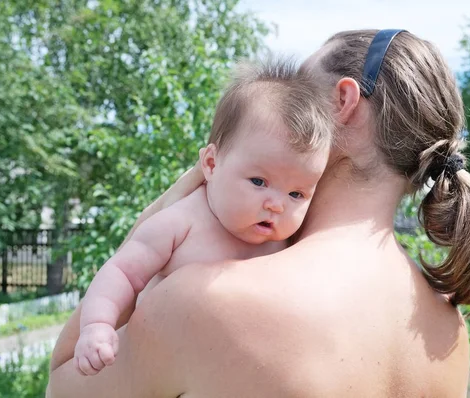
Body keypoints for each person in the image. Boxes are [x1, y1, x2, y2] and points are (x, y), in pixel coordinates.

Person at [47, 29, 470, 397]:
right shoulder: (448, 329)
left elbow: (61, 386)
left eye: (301, 90)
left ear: (341, 103)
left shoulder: (212, 298)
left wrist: (158, 216)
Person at [73, 59, 334, 375]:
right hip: (157, 371)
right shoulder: (182, 221)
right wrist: (98, 324)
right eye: (258, 182)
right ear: (210, 164)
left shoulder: (289, 243)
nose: (277, 205)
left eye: (296, 194)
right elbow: (123, 272)